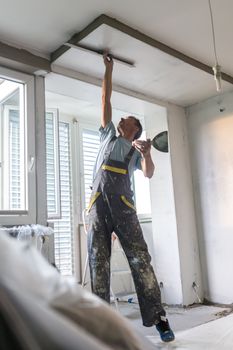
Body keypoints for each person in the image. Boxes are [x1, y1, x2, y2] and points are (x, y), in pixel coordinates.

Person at [87, 54, 175, 343]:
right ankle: (99, 324)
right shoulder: (107, 136)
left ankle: (159, 318)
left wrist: (147, 153)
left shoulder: (136, 150)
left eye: (127, 118)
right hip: (97, 207)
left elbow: (148, 174)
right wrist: (108, 69)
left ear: (133, 127)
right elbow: (104, 99)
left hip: (124, 211)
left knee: (141, 261)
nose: (121, 117)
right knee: (97, 264)